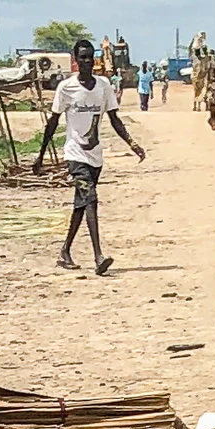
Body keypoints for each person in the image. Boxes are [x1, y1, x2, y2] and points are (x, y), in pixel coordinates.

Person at [37, 36, 145, 276]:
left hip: (95, 155)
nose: (87, 62)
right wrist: (41, 155)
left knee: (81, 204)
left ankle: (64, 252)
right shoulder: (66, 88)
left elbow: (114, 118)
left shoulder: (104, 86)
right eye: (82, 58)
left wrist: (132, 143)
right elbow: (53, 122)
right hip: (75, 154)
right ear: (75, 60)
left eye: (90, 58)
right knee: (91, 200)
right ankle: (98, 256)